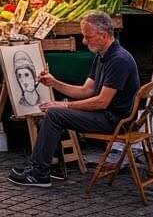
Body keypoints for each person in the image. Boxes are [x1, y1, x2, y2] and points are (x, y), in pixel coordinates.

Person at [8, 10, 139, 187]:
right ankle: (48, 166)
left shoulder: (118, 60)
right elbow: (86, 90)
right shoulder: (102, 54)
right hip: (105, 113)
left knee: (54, 114)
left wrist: (65, 106)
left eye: (88, 36)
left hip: (113, 120)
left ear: (103, 35)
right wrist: (54, 83)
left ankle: (40, 173)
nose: (84, 41)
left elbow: (102, 101)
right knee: (50, 115)